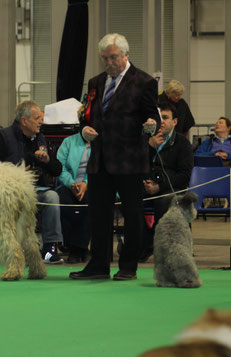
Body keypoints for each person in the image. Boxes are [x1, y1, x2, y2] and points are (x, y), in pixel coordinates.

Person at [69, 33, 160, 281]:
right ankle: (98, 265)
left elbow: (154, 117)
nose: (109, 62)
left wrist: (151, 124)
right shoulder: (95, 82)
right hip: (100, 159)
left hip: (130, 159)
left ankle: (128, 266)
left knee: (132, 215)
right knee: (98, 215)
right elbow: (87, 116)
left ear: (126, 55)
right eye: (104, 58)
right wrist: (84, 129)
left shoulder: (144, 81)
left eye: (113, 57)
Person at [0, 100, 64, 264]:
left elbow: (57, 170)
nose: (41, 121)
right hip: (10, 193)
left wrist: (47, 160)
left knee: (52, 196)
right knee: (15, 202)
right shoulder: (1, 137)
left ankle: (49, 249)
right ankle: (17, 248)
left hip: (37, 191)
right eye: (37, 118)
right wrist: (18, 175)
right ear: (24, 121)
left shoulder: (41, 139)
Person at [140, 101, 193, 262]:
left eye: (165, 117)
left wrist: (159, 186)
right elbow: (133, 165)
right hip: (145, 185)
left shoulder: (183, 143)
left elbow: (184, 175)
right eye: (158, 117)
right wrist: (148, 146)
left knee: (165, 200)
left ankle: (161, 244)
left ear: (175, 122)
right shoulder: (144, 140)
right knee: (129, 200)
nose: (161, 121)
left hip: (171, 188)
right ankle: (144, 242)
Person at [55, 130, 91, 264]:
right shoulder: (68, 142)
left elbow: (102, 168)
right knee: (64, 202)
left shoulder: (102, 142)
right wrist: (72, 183)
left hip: (91, 185)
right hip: (68, 184)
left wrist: (85, 184)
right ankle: (75, 246)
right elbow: (60, 167)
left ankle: (77, 249)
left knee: (89, 204)